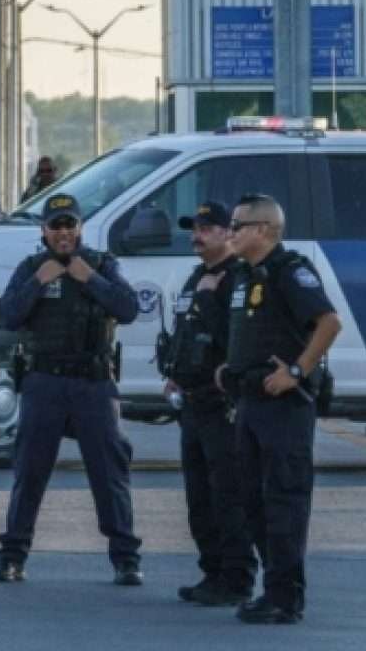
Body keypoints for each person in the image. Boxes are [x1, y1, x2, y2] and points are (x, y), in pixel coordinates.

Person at [0, 192, 143, 585]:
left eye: (69, 225)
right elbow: (6, 317)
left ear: (80, 228)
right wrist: (39, 283)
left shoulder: (101, 265)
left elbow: (127, 308)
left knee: (109, 473)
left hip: (93, 383)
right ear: (43, 231)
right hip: (44, 382)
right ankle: (12, 557)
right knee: (30, 472)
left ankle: (126, 559)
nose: (63, 233)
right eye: (55, 226)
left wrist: (87, 278)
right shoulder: (30, 268)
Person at [217, 194, 341, 625]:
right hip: (250, 401)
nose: (230, 232)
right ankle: (272, 585)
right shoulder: (245, 276)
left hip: (283, 406)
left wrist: (297, 370)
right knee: (250, 499)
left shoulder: (290, 272)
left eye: (238, 225)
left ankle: (286, 597)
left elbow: (329, 322)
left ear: (266, 229)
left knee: (283, 502)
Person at [163, 201, 256, 607]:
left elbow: (239, 339)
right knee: (199, 499)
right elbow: (187, 335)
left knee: (227, 496)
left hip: (223, 406)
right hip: (192, 404)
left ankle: (236, 577)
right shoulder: (198, 277)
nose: (197, 235)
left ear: (227, 233)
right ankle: (212, 573)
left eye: (207, 228)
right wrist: (174, 372)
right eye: (195, 228)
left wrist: (209, 301)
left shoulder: (238, 280)